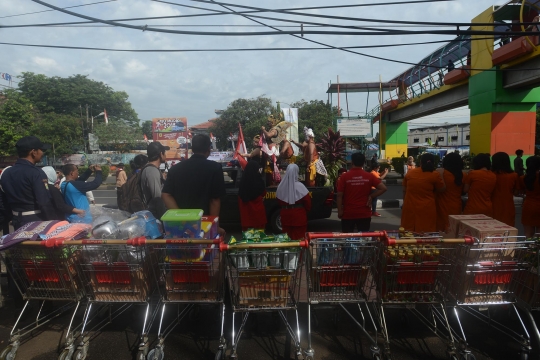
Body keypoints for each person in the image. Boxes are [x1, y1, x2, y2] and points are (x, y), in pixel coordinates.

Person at [162, 134, 226, 235]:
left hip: (180, 228)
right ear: (208, 149)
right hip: (204, 226)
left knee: (182, 250)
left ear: (192, 148)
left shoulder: (175, 169)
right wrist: (214, 226)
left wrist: (181, 217)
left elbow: (166, 195)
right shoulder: (214, 168)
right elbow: (214, 200)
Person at [0, 136, 56, 230]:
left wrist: (13, 216)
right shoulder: (36, 173)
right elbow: (44, 203)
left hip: (16, 222)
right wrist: (54, 223)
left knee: (22, 244)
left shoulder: (6, 173)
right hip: (36, 222)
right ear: (33, 152)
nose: (42, 153)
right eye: (41, 150)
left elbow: (2, 202)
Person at [337, 152, 387, 232]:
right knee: (364, 239)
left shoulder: (344, 176)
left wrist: (340, 211)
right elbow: (383, 188)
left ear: (352, 162)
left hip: (348, 213)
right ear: (364, 163)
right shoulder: (369, 176)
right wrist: (371, 196)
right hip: (364, 213)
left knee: (347, 239)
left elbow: (339, 195)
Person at [401, 153, 445, 232]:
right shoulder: (435, 174)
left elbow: (404, 190)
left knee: (408, 233)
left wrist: (405, 203)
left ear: (420, 162)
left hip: (410, 207)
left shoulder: (410, 173)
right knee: (426, 234)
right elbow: (442, 189)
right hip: (427, 208)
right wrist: (441, 174)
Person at [276, 164, 312, 239]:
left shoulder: (281, 186)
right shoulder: (300, 186)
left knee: (286, 240)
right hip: (299, 216)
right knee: (299, 240)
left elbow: (279, 201)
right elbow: (307, 203)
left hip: (285, 215)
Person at [435, 153, 465, 232]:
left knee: (442, 230)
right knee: (454, 229)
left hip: (442, 206)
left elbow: (438, 188)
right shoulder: (463, 175)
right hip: (457, 206)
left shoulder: (442, 173)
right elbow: (465, 191)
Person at [491, 152, 519, 226]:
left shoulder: (491, 175)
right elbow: (516, 192)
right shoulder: (514, 175)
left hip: (492, 204)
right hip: (508, 205)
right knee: (508, 228)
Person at [238, 161, 267, 230]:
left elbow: (240, 198)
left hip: (246, 219)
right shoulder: (259, 181)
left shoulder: (242, 183)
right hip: (258, 217)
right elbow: (264, 193)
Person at [520, 156, 540, 238]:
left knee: (528, 234)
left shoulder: (523, 178)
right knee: (539, 235)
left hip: (528, 206)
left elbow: (520, 191)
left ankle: (528, 250)